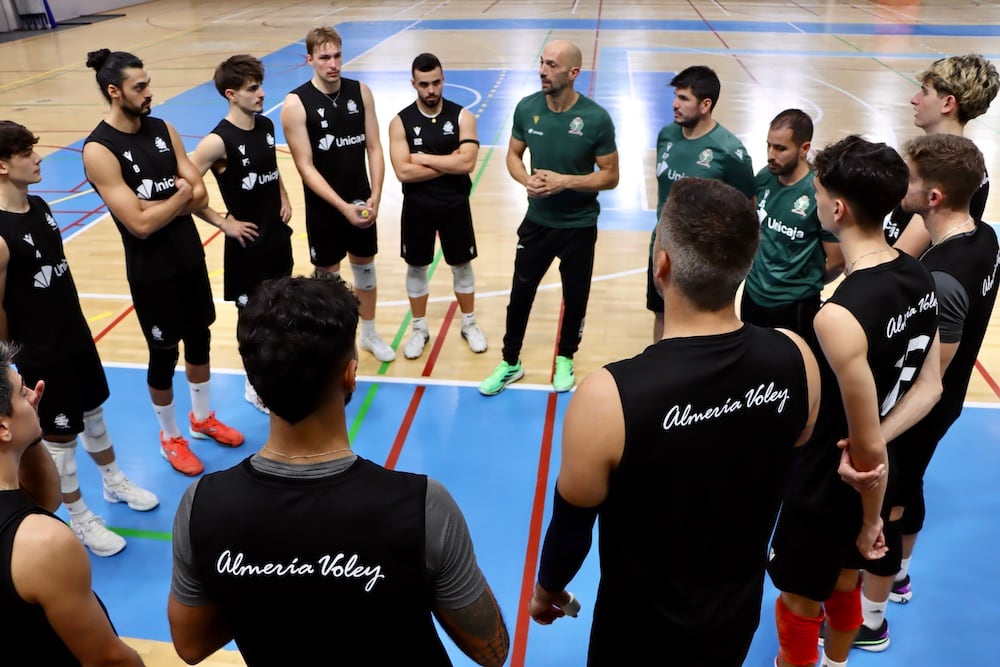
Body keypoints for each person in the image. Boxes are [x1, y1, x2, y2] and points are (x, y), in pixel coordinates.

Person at [528, 177, 820, 665]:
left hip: (637, 634)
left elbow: (571, 527)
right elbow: (785, 469)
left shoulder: (607, 396)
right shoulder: (798, 358)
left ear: (660, 265)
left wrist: (547, 588)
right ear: (747, 263)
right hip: (734, 619)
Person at [167, 276, 510, 667]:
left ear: (256, 384)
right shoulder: (422, 507)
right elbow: (492, 650)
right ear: (350, 375)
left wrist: (266, 584)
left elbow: (191, 645)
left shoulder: (202, 506)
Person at [767, 136, 942, 667]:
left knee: (799, 601)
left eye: (818, 193)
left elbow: (863, 447)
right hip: (875, 463)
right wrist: (877, 443)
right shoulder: (918, 272)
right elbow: (930, 387)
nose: (815, 202)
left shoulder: (838, 316)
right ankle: (838, 662)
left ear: (838, 209)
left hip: (836, 475)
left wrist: (870, 522)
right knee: (845, 583)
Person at [852, 133, 999, 650]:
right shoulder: (985, 238)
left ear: (933, 197)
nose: (901, 187)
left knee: (886, 511)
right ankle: (900, 578)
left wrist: (877, 435)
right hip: (946, 403)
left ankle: (871, 622)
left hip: (921, 411)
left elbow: (927, 382)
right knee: (910, 487)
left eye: (909, 180)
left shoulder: (942, 280)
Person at [82, 49, 244, 477]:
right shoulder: (99, 150)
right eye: (139, 87)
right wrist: (178, 196)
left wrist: (163, 204)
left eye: (148, 83)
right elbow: (139, 225)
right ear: (114, 92)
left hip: (189, 256)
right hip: (152, 272)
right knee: (163, 353)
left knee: (200, 338)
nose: (149, 92)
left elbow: (201, 194)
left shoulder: (163, 129)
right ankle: (170, 436)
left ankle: (202, 418)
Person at [0, 120, 158, 557]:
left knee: (94, 414)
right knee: (60, 439)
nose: (38, 158)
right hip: (42, 353)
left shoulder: (41, 207)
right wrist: (10, 362)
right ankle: (79, 517)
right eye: (27, 153)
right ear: (2, 166)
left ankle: (113, 481)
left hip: (76, 336)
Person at [479, 39, 618, 396]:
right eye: (542, 62)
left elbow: (610, 176)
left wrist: (565, 182)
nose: (542, 70)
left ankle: (565, 357)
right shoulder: (527, 108)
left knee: (575, 297)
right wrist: (526, 179)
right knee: (520, 294)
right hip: (537, 222)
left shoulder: (596, 119)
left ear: (573, 73)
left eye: (552, 65)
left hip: (579, 226)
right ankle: (510, 361)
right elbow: (513, 155)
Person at [0, 340, 145, 665]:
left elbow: (44, 500)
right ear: (2, 427)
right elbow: (108, 660)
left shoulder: (22, 524)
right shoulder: (43, 544)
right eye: (22, 393)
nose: (32, 395)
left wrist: (30, 432)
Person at [281, 26, 394, 363]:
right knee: (327, 282)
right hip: (325, 210)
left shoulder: (361, 92)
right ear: (310, 59)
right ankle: (338, 346)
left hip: (361, 201)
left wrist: (375, 195)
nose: (332, 64)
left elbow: (374, 147)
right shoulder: (296, 104)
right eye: (324, 57)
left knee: (365, 270)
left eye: (337, 56)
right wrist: (342, 207)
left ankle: (369, 334)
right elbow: (305, 166)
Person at [189, 54, 294, 413]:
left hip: (276, 237)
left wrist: (284, 196)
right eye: (252, 88)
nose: (261, 93)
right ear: (231, 94)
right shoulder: (217, 142)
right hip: (246, 245)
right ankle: (253, 382)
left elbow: (272, 167)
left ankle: (276, 369)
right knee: (251, 318)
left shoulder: (265, 125)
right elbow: (183, 187)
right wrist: (222, 222)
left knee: (280, 310)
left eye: (260, 85)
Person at [388, 52, 487, 359]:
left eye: (435, 83)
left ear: (443, 80)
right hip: (417, 207)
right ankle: (419, 329)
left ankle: (469, 323)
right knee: (417, 267)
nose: (431, 90)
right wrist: (449, 162)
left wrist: (425, 159)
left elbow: (467, 163)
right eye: (424, 84)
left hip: (455, 204)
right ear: (413, 84)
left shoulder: (462, 117)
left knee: (462, 265)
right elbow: (403, 172)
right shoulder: (400, 122)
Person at [650, 65, 754, 341]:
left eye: (684, 98)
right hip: (663, 248)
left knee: (702, 324)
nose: (675, 104)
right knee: (662, 314)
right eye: (675, 96)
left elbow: (747, 208)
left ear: (705, 105)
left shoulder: (729, 151)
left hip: (704, 259)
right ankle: (662, 363)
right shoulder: (666, 136)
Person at [742, 109, 844, 339]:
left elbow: (837, 262)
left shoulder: (819, 194)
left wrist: (801, 285)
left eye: (780, 148)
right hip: (753, 294)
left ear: (804, 148)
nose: (771, 154)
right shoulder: (764, 178)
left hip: (794, 306)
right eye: (769, 145)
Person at [886, 54, 999, 256]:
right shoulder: (963, 160)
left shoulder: (945, 170)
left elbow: (901, 257)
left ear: (948, 103)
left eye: (924, 92)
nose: (914, 99)